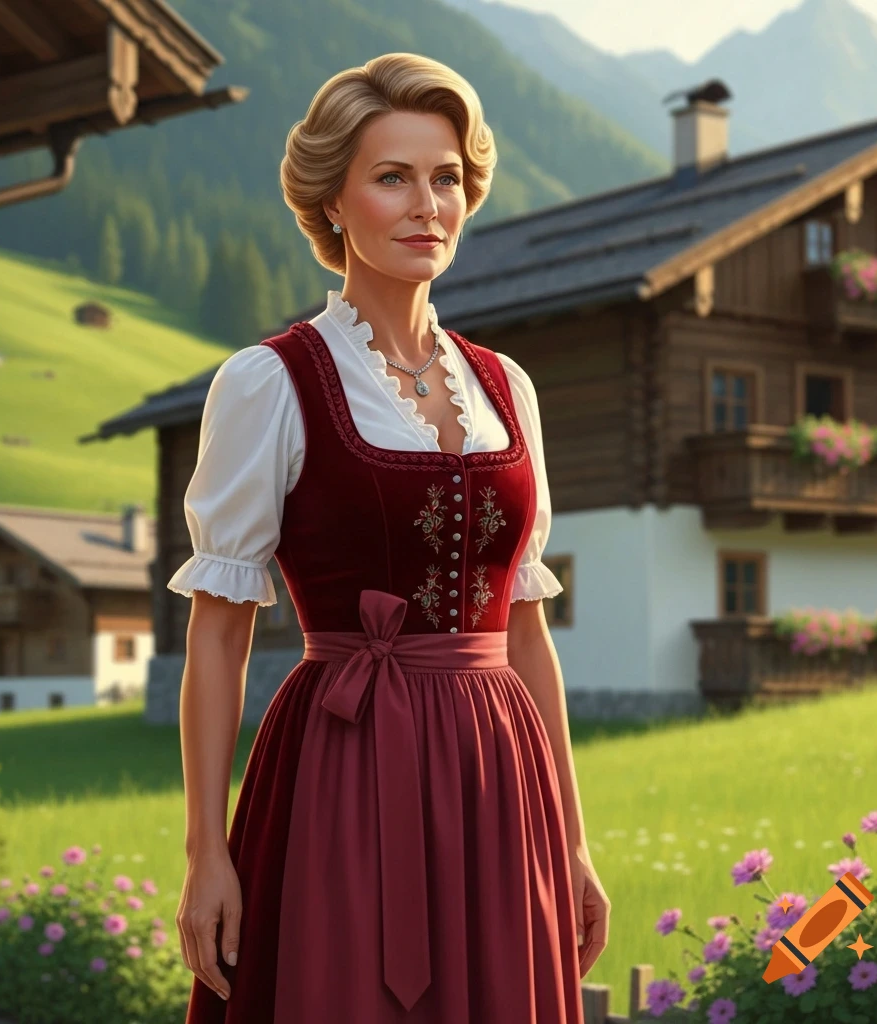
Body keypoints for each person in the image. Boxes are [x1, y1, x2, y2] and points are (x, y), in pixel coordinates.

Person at [170, 51, 610, 1024]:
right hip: (343, 763)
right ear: (332, 204)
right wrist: (208, 853)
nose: (427, 206)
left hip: (500, 780)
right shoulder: (269, 381)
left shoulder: (507, 387)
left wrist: (570, 841)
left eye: (445, 177)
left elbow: (526, 632)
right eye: (391, 177)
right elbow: (218, 632)